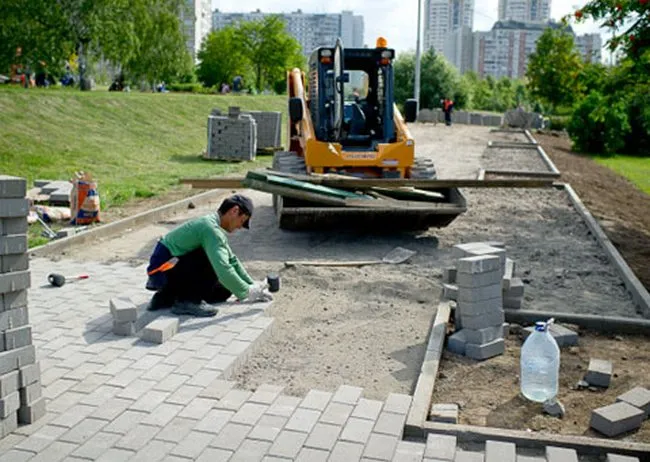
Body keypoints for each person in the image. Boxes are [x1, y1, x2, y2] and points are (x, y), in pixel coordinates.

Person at [145, 194, 272, 317]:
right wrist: (247, 293)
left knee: (224, 290)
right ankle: (188, 301)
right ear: (234, 211)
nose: (239, 227)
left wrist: (252, 285)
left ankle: (166, 297)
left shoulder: (212, 225)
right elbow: (223, 268)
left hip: (170, 270)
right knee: (213, 259)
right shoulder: (210, 229)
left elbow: (232, 260)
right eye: (242, 221)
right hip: (162, 272)